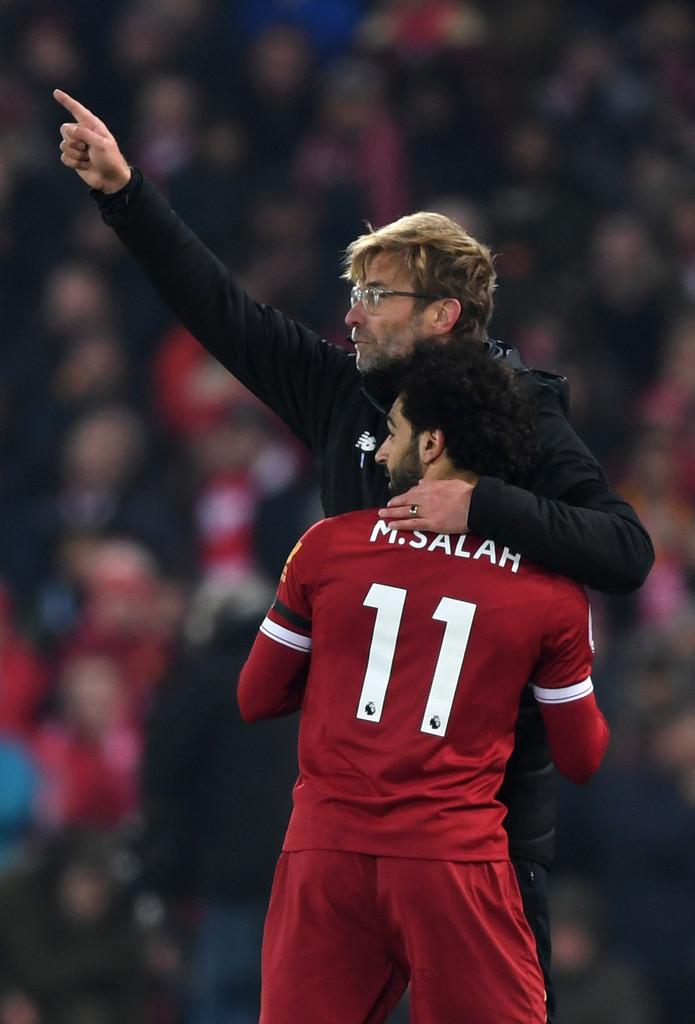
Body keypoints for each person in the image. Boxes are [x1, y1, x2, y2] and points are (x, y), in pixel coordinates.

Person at [53, 88, 653, 1018]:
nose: (354, 315)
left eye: (377, 296)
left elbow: (624, 549)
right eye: (353, 293)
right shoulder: (343, 395)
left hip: (483, 823)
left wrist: (480, 504)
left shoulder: (524, 421)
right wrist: (125, 194)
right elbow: (221, 312)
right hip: (347, 807)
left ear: (444, 314)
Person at [237, 338, 610, 1024]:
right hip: (452, 862)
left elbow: (255, 698)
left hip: (324, 853)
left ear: (432, 445)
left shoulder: (326, 546)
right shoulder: (551, 594)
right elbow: (582, 758)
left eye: (393, 431)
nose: (380, 452)